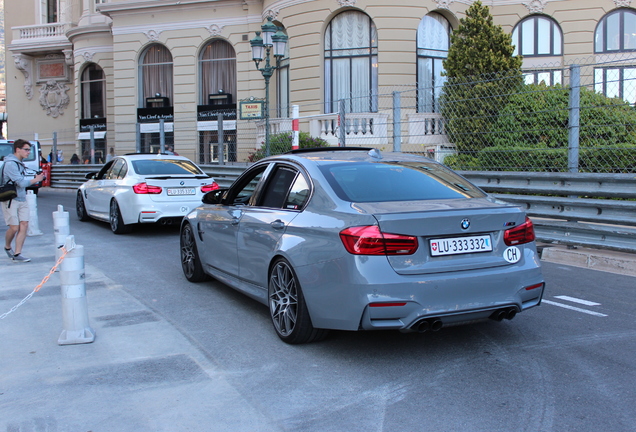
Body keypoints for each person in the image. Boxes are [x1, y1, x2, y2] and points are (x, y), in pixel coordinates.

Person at [2, 139, 45, 262]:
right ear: (18, 149)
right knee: (14, 228)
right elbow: (20, 183)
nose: (28, 152)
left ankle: (17, 253)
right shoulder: (11, 164)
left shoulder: (19, 163)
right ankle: (7, 246)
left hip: (22, 198)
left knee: (24, 225)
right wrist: (36, 179)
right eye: (26, 150)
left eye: (29, 150)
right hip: (11, 199)